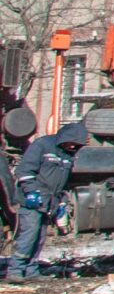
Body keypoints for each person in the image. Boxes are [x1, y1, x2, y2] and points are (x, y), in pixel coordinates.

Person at [7, 117, 84, 281]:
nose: (72, 146)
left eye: (76, 145)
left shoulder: (69, 155)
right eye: (70, 142)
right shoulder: (42, 145)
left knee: (40, 237)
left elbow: (63, 182)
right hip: (32, 201)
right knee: (28, 235)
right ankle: (15, 270)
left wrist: (62, 201)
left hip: (50, 202)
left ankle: (31, 271)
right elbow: (24, 171)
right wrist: (30, 192)